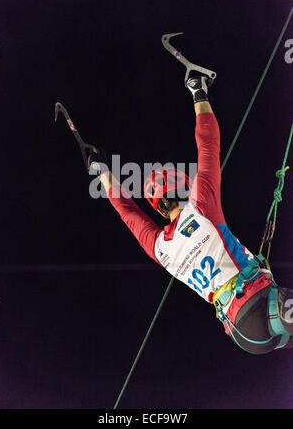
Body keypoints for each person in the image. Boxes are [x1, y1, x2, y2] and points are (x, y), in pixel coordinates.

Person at [90, 76, 293, 354]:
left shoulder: (160, 248)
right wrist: (198, 92)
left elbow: (125, 211)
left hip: (242, 333)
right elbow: (208, 144)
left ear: (158, 207)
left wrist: (101, 171)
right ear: (183, 186)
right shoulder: (200, 206)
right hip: (258, 300)